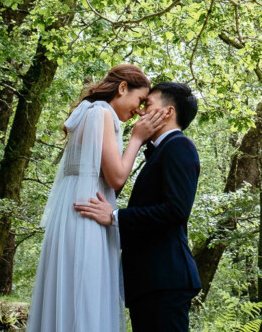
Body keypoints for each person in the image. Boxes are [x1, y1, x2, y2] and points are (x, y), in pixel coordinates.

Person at [27, 64, 168, 332]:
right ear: (122, 88)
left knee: (70, 289)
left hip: (72, 210)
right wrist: (136, 139)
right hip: (87, 214)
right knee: (86, 291)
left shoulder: (89, 112)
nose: (139, 110)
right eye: (139, 100)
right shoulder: (103, 113)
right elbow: (115, 179)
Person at [75, 81, 200, 332]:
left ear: (168, 113)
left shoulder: (180, 146)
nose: (141, 112)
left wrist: (114, 217)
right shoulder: (159, 151)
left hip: (165, 278)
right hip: (148, 281)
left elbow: (175, 211)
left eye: (149, 105)